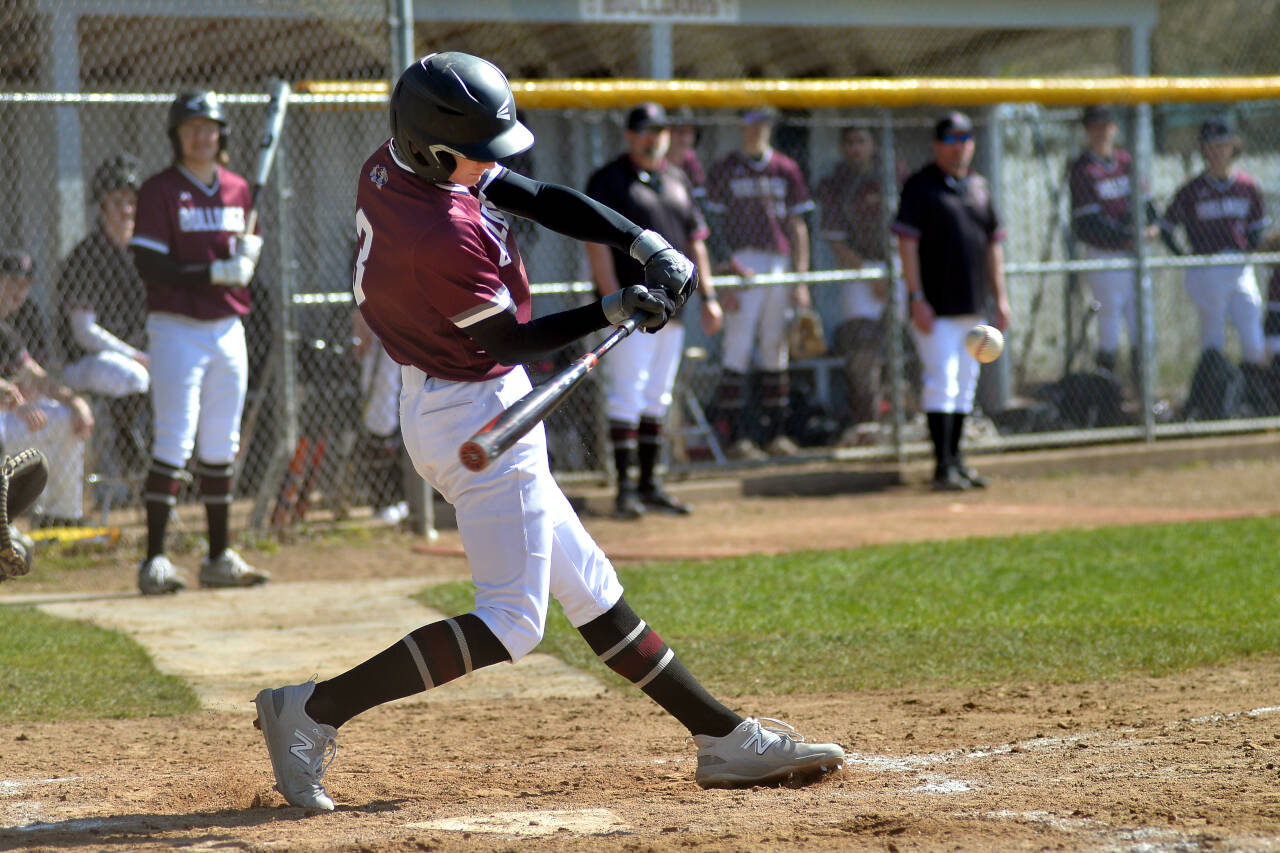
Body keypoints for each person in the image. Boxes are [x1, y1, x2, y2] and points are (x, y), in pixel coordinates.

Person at [252, 52, 844, 811]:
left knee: (590, 588)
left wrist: (644, 243)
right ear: (435, 149)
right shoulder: (440, 233)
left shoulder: (400, 163)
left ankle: (722, 737)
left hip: (460, 395)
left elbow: (532, 195)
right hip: (475, 411)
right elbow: (507, 339)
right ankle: (310, 710)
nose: (492, 165)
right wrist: (612, 308)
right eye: (478, 153)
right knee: (512, 621)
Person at [129, 90, 270, 595]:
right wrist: (213, 272)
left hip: (228, 328)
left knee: (221, 442)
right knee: (173, 440)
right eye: (191, 128)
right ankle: (154, 561)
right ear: (177, 136)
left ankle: (218, 557)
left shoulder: (238, 189)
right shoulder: (159, 190)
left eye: (209, 127)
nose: (201, 136)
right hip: (176, 327)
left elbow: (242, 256)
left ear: (220, 134)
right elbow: (148, 264)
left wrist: (248, 256)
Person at [584, 102, 722, 519]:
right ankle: (626, 491)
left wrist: (709, 296)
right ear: (629, 135)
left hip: (672, 309)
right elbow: (596, 244)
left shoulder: (676, 178)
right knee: (627, 394)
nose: (654, 138)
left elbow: (696, 242)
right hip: (630, 307)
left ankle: (649, 485)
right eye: (645, 130)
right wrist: (613, 301)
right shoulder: (610, 180)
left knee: (657, 396)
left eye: (660, 130)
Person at [893, 112, 1011, 491]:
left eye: (964, 139)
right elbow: (907, 245)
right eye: (950, 139)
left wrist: (1001, 298)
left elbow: (993, 246)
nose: (959, 147)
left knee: (965, 383)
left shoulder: (978, 186)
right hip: (935, 306)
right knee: (941, 380)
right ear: (936, 145)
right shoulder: (920, 186)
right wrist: (916, 297)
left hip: (974, 305)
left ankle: (957, 461)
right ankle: (942, 466)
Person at [705, 106, 814, 460]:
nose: (757, 129)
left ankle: (776, 435)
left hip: (779, 262)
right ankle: (736, 438)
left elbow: (798, 226)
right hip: (743, 263)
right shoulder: (725, 168)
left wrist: (800, 279)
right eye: (750, 122)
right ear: (740, 125)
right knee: (737, 347)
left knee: (775, 347)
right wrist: (725, 275)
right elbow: (713, 230)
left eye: (763, 122)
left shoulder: (785, 167)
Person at [1161, 116, 1272, 414]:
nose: (1218, 151)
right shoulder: (1192, 189)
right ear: (1204, 150)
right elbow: (1166, 227)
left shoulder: (1247, 186)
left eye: (1223, 144)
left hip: (1239, 266)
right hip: (1207, 266)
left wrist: (1249, 248)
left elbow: (1257, 229)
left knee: (1253, 340)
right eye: (1212, 146)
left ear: (1234, 147)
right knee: (1213, 340)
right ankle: (1214, 407)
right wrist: (1185, 256)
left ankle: (1252, 404)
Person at [816, 125, 918, 439]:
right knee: (863, 342)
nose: (856, 148)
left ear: (873, 144)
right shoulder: (836, 182)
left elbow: (911, 227)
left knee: (908, 337)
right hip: (859, 268)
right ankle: (868, 421)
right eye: (850, 142)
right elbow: (835, 242)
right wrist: (870, 273)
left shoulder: (893, 174)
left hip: (898, 263)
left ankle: (913, 415)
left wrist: (894, 270)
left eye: (862, 141)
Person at [56, 153, 151, 482]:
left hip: (139, 356)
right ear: (101, 207)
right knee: (130, 375)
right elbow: (83, 332)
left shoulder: (141, 255)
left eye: (132, 202)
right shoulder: (86, 256)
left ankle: (166, 466)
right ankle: (131, 461)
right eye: (118, 202)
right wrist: (135, 355)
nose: (127, 210)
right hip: (85, 362)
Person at [1067, 105, 1160, 386]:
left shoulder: (1126, 162)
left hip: (1135, 255)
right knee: (1109, 326)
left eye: (1107, 125)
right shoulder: (1083, 169)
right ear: (1087, 130)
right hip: (1105, 256)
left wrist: (1152, 227)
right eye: (1096, 126)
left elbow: (1148, 206)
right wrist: (1128, 236)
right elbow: (1089, 224)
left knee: (1141, 325)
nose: (1102, 131)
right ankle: (1107, 397)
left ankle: (1144, 395)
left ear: (1115, 128)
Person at [0, 250, 94, 527]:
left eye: (25, 285)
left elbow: (35, 375)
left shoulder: (7, 332)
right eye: (11, 282)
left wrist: (75, 402)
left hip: (10, 416)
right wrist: (10, 395)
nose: (18, 292)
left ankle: (60, 516)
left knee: (65, 418)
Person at [351, 308, 408, 525]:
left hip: (399, 335)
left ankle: (400, 499)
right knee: (380, 420)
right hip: (380, 339)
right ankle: (385, 500)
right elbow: (359, 312)